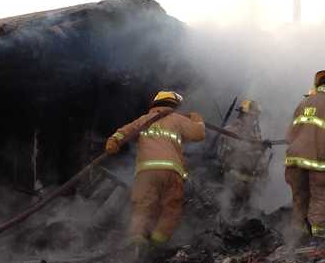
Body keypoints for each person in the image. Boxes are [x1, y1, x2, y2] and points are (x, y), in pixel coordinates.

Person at [105, 91, 205, 251]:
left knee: (143, 207)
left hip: (146, 172)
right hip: (171, 172)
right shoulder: (178, 119)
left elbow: (123, 132)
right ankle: (155, 245)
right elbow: (199, 134)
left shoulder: (144, 119)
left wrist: (113, 140)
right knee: (171, 208)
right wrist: (197, 119)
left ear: (155, 104)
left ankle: (137, 244)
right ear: (175, 105)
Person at [284, 70, 325, 237]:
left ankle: (297, 236)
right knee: (321, 198)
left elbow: (289, 135)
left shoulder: (303, 103)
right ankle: (315, 239)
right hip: (318, 161)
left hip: (294, 160)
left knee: (300, 199)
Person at [218, 99, 268, 216]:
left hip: (250, 181)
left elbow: (260, 157)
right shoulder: (232, 130)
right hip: (234, 178)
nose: (255, 120)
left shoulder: (255, 133)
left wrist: (265, 172)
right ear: (243, 115)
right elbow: (238, 149)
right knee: (232, 208)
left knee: (246, 212)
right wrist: (259, 146)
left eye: (256, 117)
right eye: (252, 116)